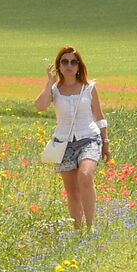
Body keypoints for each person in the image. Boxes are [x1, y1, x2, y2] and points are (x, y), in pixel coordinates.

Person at [35, 46, 108, 230]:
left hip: (89, 138)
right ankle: (78, 231)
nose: (69, 65)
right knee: (72, 191)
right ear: (58, 65)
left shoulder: (89, 87)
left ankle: (91, 228)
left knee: (85, 176)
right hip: (63, 143)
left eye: (73, 62)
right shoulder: (55, 89)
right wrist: (49, 83)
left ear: (79, 66)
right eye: (64, 61)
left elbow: (99, 116)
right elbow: (40, 106)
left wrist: (105, 143)